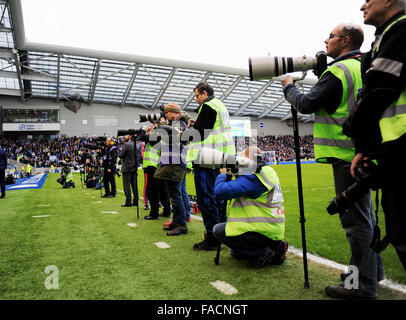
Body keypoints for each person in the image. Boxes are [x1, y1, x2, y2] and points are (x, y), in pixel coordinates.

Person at [282, 23, 384, 299]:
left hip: (346, 156)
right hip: (362, 153)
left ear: (345, 41)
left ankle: (360, 286)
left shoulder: (338, 71)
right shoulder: (361, 65)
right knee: (365, 219)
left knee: (355, 224)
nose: (325, 40)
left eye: (331, 36)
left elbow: (305, 104)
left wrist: (289, 87)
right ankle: (371, 274)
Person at [343, 0, 406, 272]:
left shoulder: (400, 30)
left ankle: (361, 286)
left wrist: (355, 134)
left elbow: (377, 92)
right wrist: (366, 147)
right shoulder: (384, 37)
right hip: (391, 148)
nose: (362, 6)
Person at [212, 147, 288, 268]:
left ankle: (265, 252)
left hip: (263, 229)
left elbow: (220, 192)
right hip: (271, 228)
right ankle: (275, 246)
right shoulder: (266, 171)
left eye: (241, 158)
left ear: (249, 159)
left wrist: (224, 174)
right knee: (235, 252)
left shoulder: (255, 176)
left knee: (218, 230)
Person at [184, 82, 236, 250]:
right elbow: (208, 128)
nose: (196, 100)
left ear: (204, 93)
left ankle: (213, 239)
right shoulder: (220, 105)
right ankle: (222, 234)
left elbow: (198, 134)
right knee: (218, 199)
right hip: (219, 158)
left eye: (197, 96)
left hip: (207, 158)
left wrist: (183, 133)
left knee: (207, 200)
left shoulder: (208, 106)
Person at [153, 103, 189, 236]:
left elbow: (173, 140)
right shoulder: (173, 124)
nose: (165, 114)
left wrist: (162, 126)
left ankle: (182, 225)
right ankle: (176, 221)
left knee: (176, 196)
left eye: (168, 112)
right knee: (173, 196)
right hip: (169, 163)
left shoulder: (179, 125)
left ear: (175, 113)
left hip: (175, 164)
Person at [140, 123, 171, 220]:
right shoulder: (161, 138)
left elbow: (142, 136)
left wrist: (143, 129)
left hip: (152, 166)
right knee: (162, 190)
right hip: (157, 166)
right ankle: (167, 211)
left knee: (153, 191)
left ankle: (154, 213)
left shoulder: (157, 138)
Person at [119, 134, 139, 207]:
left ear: (130, 137)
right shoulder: (137, 145)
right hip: (134, 167)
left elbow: (120, 155)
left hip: (126, 167)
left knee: (126, 186)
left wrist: (121, 151)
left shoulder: (126, 145)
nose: (125, 136)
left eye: (127, 135)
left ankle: (128, 201)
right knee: (134, 186)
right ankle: (135, 201)